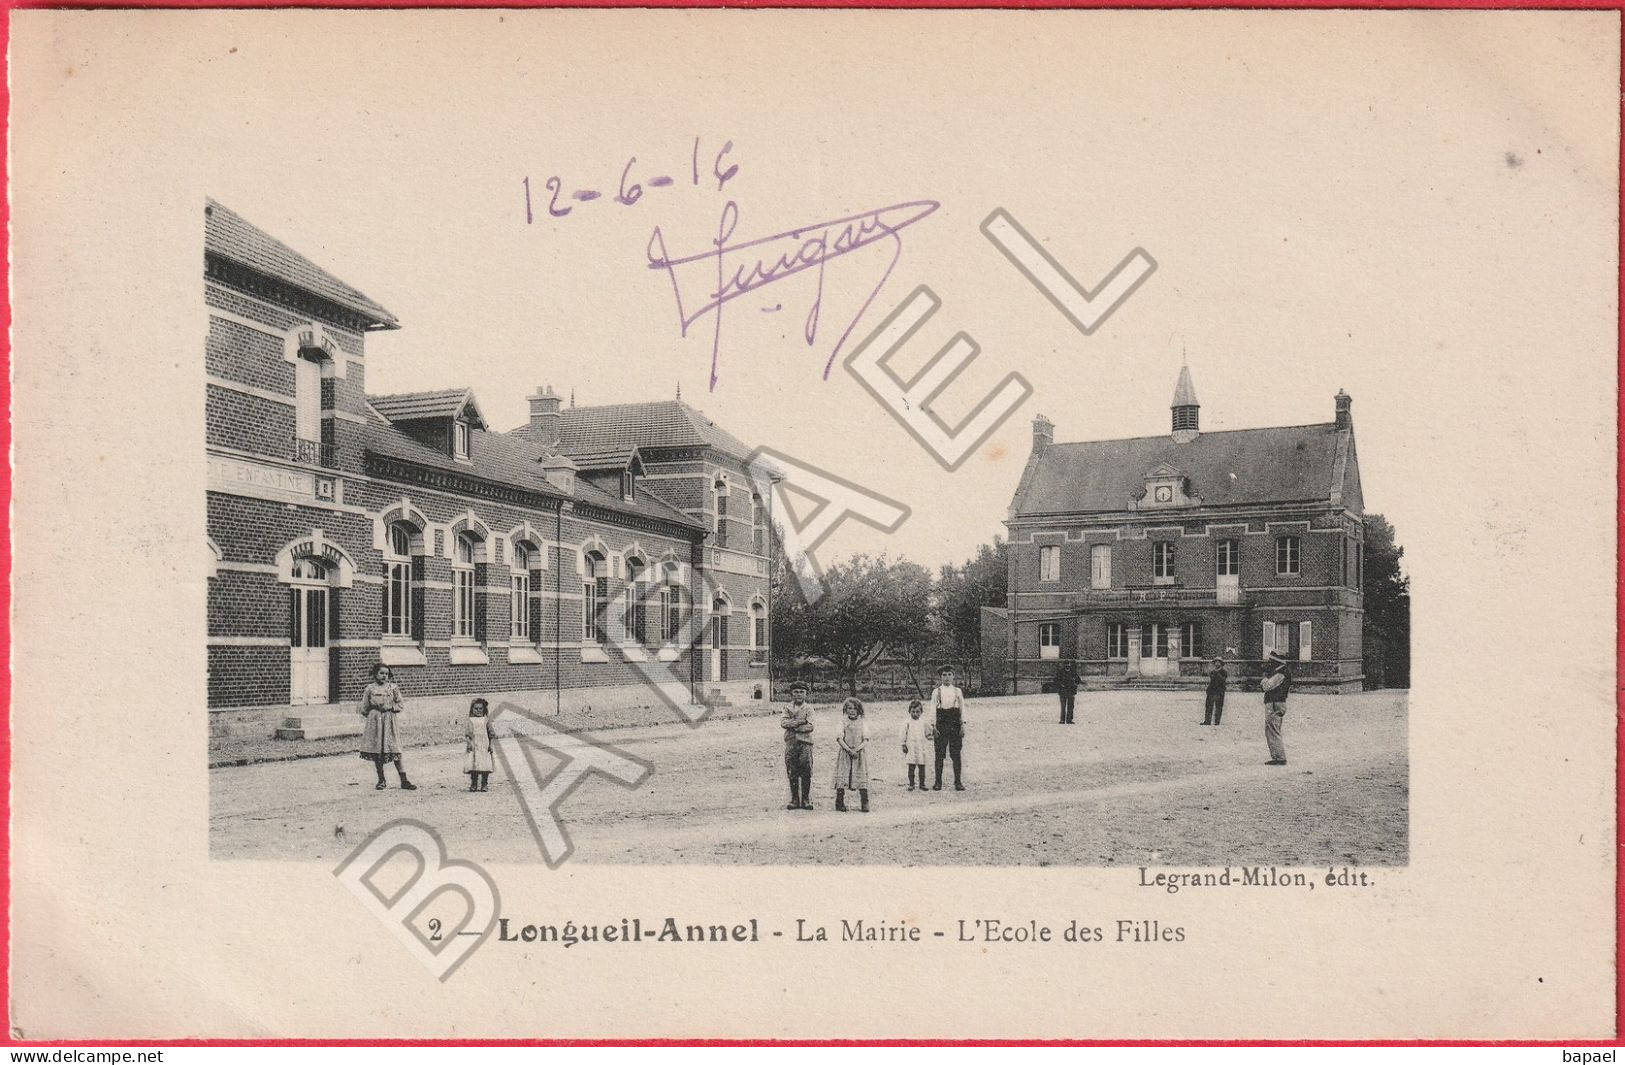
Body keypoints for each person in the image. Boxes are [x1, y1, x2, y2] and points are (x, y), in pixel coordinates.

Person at [358, 663, 416, 790]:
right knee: (377, 750)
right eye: (381, 673)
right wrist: (374, 714)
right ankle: (381, 780)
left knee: (394, 748)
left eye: (386, 674)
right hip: (376, 722)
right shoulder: (369, 689)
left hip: (389, 721)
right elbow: (364, 708)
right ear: (375, 674)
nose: (384, 676)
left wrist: (390, 708)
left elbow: (400, 704)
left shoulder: (392, 688)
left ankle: (404, 780)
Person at [929, 665, 966, 791]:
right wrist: (933, 726)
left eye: (949, 674)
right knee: (939, 753)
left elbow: (962, 709)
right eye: (944, 675)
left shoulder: (957, 691)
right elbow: (932, 710)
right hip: (941, 722)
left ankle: (958, 782)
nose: (947, 677)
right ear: (940, 677)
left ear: (953, 676)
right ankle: (938, 782)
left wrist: (962, 725)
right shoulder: (936, 692)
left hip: (955, 723)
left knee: (956, 754)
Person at [781, 680, 816, 810]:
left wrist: (794, 726)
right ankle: (795, 799)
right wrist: (800, 722)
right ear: (791, 693)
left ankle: (806, 799)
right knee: (792, 769)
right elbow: (783, 723)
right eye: (796, 692)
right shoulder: (787, 708)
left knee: (806, 769)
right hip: (791, 742)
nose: (799, 694)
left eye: (802, 692)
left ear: (806, 694)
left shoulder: (809, 709)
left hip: (805, 743)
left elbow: (810, 726)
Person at [833, 697, 870, 812]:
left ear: (859, 710)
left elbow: (866, 739)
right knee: (843, 776)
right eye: (849, 708)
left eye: (855, 709)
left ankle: (864, 802)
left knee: (860, 777)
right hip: (845, 753)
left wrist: (857, 750)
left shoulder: (862, 723)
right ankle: (839, 802)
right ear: (845, 709)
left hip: (858, 755)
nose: (852, 711)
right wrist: (848, 750)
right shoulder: (842, 722)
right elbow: (839, 738)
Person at [1261, 650, 1292, 765]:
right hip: (1277, 702)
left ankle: (1279, 757)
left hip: (1275, 703)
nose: (1269, 663)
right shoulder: (1281, 671)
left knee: (1272, 729)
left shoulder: (1280, 673)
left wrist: (1264, 678)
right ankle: (1277, 756)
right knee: (1272, 729)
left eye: (1271, 661)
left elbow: (1267, 686)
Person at [465, 697, 494, 792]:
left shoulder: (486, 720)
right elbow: (468, 734)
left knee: (484, 766)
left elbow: (491, 734)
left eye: (480, 709)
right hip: (474, 746)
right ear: (472, 709)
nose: (478, 711)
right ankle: (474, 784)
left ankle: (484, 784)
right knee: (474, 765)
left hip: (484, 746)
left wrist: (490, 745)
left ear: (484, 710)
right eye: (476, 709)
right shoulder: (471, 720)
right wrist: (469, 743)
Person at [900, 699, 929, 791]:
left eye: (917, 712)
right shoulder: (907, 722)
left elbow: (928, 733)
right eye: (913, 712)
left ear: (921, 712)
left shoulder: (923, 722)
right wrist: (903, 744)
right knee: (911, 766)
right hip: (911, 747)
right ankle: (911, 784)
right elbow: (903, 734)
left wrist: (932, 734)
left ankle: (922, 784)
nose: (915, 714)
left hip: (921, 747)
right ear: (909, 711)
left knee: (922, 765)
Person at [1203, 657, 1229, 726]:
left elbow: (1222, 680)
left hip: (1219, 692)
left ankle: (1217, 722)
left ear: (1221, 664)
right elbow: (1211, 681)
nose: (1217, 663)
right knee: (1208, 706)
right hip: (1211, 691)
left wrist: (1217, 673)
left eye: (1218, 662)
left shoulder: (1224, 672)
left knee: (1219, 707)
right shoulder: (1212, 672)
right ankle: (1207, 721)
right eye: (1215, 662)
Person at [1054, 660, 1080, 725]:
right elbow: (1056, 681)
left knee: (1071, 706)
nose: (1067, 666)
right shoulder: (1060, 672)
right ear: (1064, 665)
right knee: (1063, 706)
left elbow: (1078, 680)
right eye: (1066, 664)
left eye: (1068, 664)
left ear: (1070, 665)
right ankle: (1062, 720)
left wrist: (1075, 683)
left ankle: (1069, 720)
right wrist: (1060, 685)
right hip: (1063, 692)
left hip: (1071, 691)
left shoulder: (1073, 672)